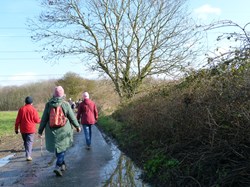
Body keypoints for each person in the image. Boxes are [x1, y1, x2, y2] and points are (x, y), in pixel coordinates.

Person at [38, 86, 81, 177]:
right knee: (62, 148)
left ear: (54, 94)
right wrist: (77, 126)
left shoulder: (48, 104)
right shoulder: (66, 104)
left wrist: (40, 131)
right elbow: (72, 117)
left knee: (58, 148)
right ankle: (58, 166)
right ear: (63, 94)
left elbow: (44, 119)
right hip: (64, 131)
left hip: (51, 131)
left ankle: (63, 164)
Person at [15, 96, 41, 161]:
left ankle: (27, 153)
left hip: (23, 129)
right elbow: (37, 120)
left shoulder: (21, 109)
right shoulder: (33, 109)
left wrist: (16, 129)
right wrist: (41, 120)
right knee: (29, 142)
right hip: (31, 129)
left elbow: (17, 120)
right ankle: (28, 155)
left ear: (25, 102)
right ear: (32, 102)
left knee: (26, 141)